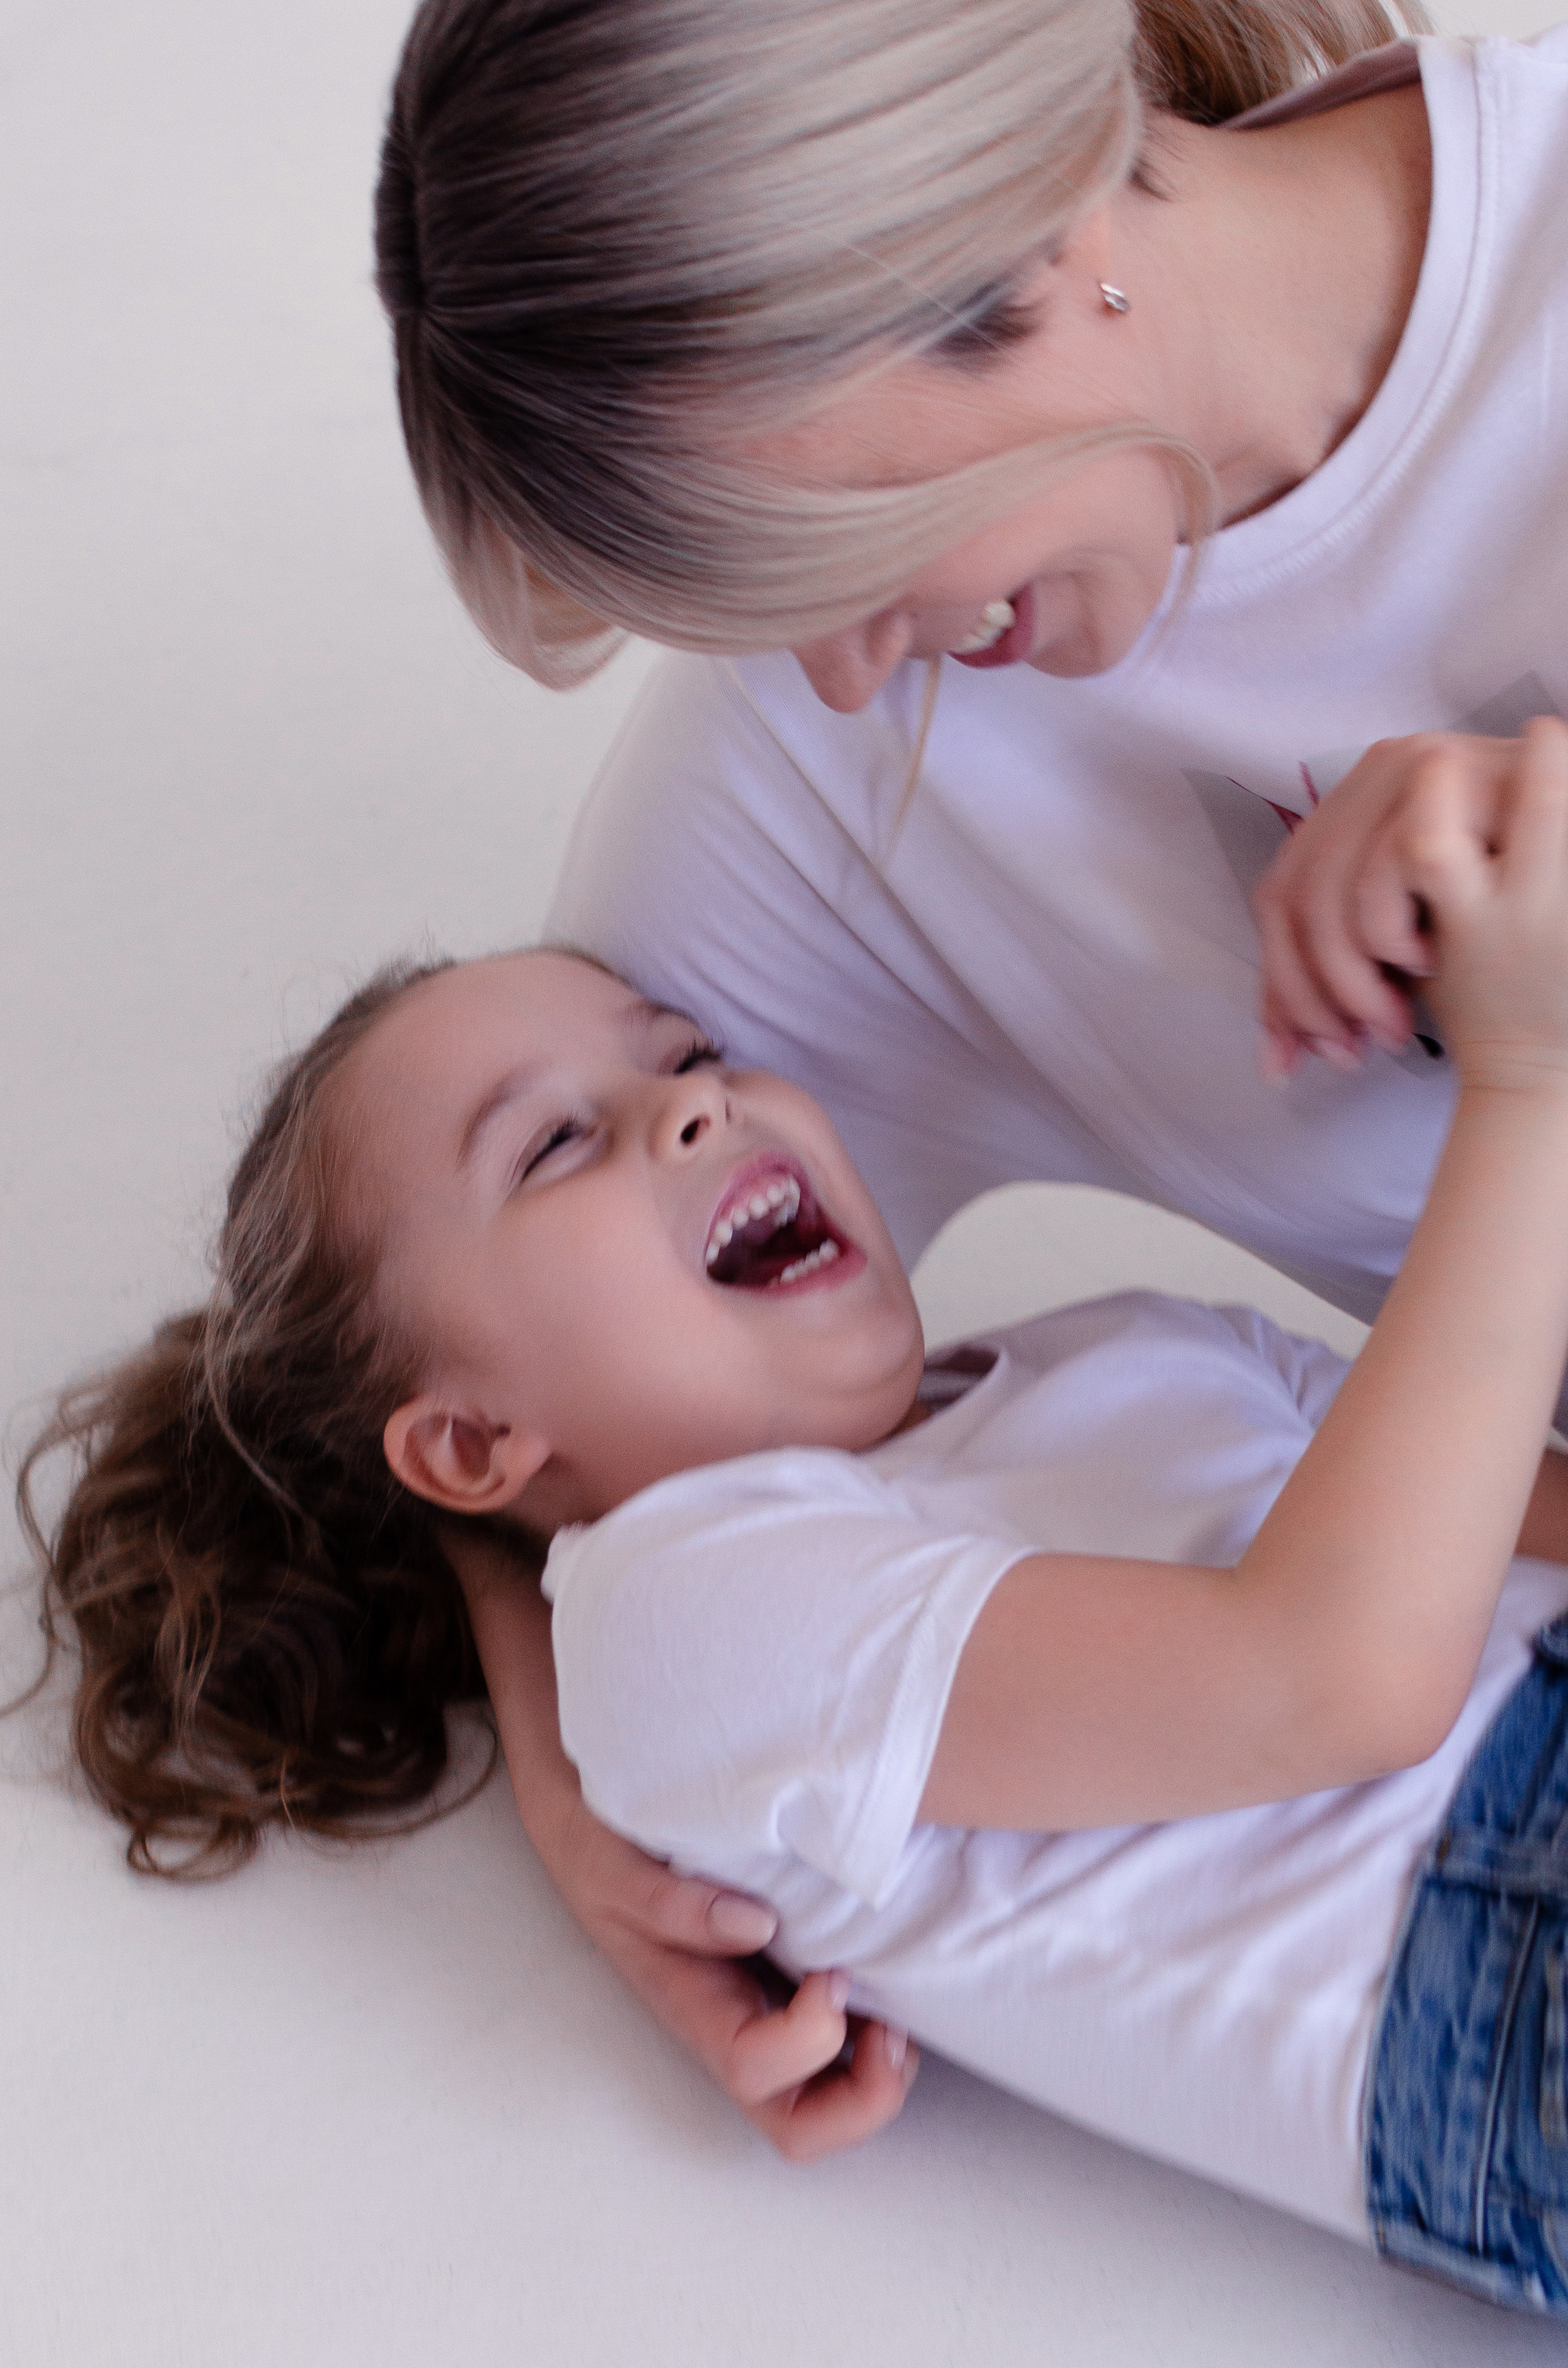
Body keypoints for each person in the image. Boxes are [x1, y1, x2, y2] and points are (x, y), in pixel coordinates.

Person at [369, 0, 1568, 2144]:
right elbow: (461, 1344)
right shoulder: (823, 768)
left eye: (815, 558)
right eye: (739, 599)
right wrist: (596, 1771)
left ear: (1028, 250)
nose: (828, 662)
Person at [23, 717, 1568, 2311]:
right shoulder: (682, 1616)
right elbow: (1329, 1683)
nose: (692, 1108)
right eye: (553, 1143)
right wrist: (1523, 1077)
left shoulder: (1129, 1337)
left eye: (685, 1052)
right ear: (477, 1441)